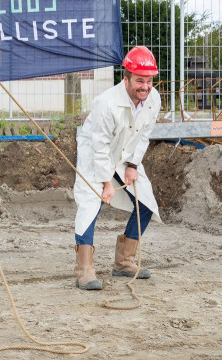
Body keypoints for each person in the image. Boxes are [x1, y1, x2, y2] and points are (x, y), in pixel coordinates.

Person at [72, 46, 162, 291]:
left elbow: (144, 135)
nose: (145, 86)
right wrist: (105, 183)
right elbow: (99, 145)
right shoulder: (106, 103)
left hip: (125, 153)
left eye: (149, 81)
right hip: (95, 153)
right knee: (91, 203)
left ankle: (123, 261)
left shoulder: (153, 99)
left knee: (145, 202)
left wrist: (133, 165)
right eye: (139, 81)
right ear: (126, 77)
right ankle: (84, 270)